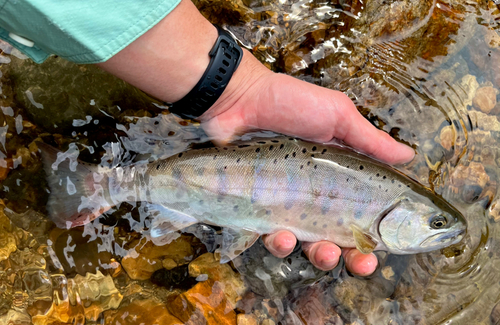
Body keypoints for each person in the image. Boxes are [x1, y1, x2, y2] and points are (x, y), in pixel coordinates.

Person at [0, 0, 414, 275]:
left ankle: (106, 185)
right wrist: (238, 91)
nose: (437, 230)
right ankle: (104, 186)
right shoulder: (371, 225)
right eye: (433, 223)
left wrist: (238, 89)